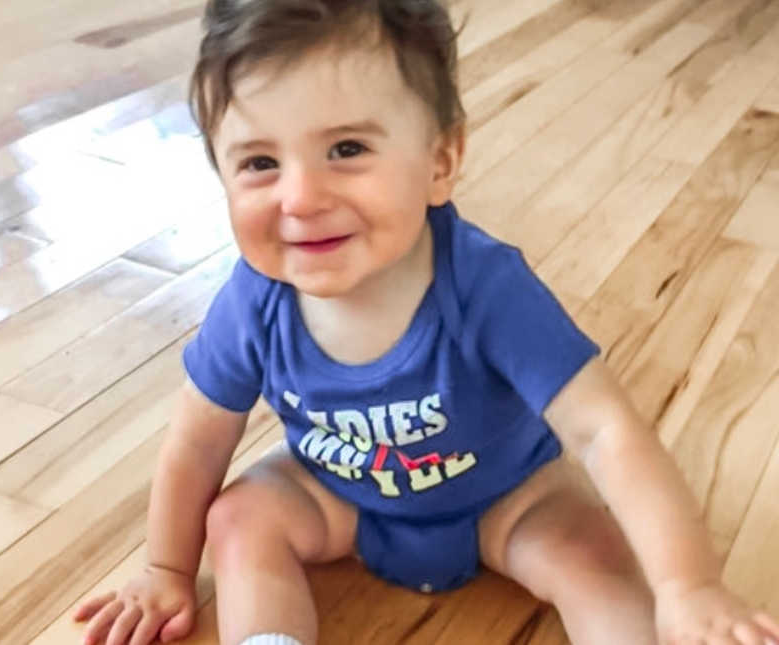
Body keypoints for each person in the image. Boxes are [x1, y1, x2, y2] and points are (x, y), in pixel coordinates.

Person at [74, 2, 779, 645]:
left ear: (440, 162)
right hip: (338, 497)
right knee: (239, 517)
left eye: (346, 149)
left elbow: (606, 430)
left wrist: (689, 585)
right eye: (259, 162)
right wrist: (166, 566)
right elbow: (197, 442)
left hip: (509, 498)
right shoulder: (255, 298)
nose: (301, 196)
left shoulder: (487, 287)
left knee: (593, 554)